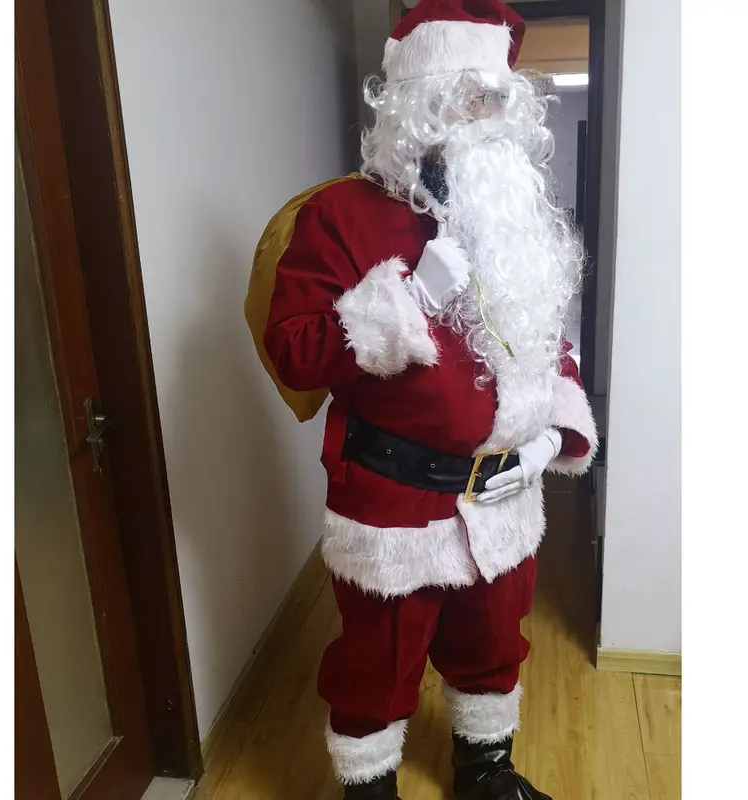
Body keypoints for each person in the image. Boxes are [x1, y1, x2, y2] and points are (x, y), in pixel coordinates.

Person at [251, 1, 597, 797]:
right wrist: (407, 297)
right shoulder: (339, 216)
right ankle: (369, 787)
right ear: (417, 101)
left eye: (496, 100)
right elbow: (294, 351)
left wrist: (550, 440)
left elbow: (549, 339)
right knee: (376, 664)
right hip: (394, 503)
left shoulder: (512, 211)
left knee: (494, 647)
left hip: (504, 497)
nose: (484, 115)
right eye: (468, 97)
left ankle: (487, 775)